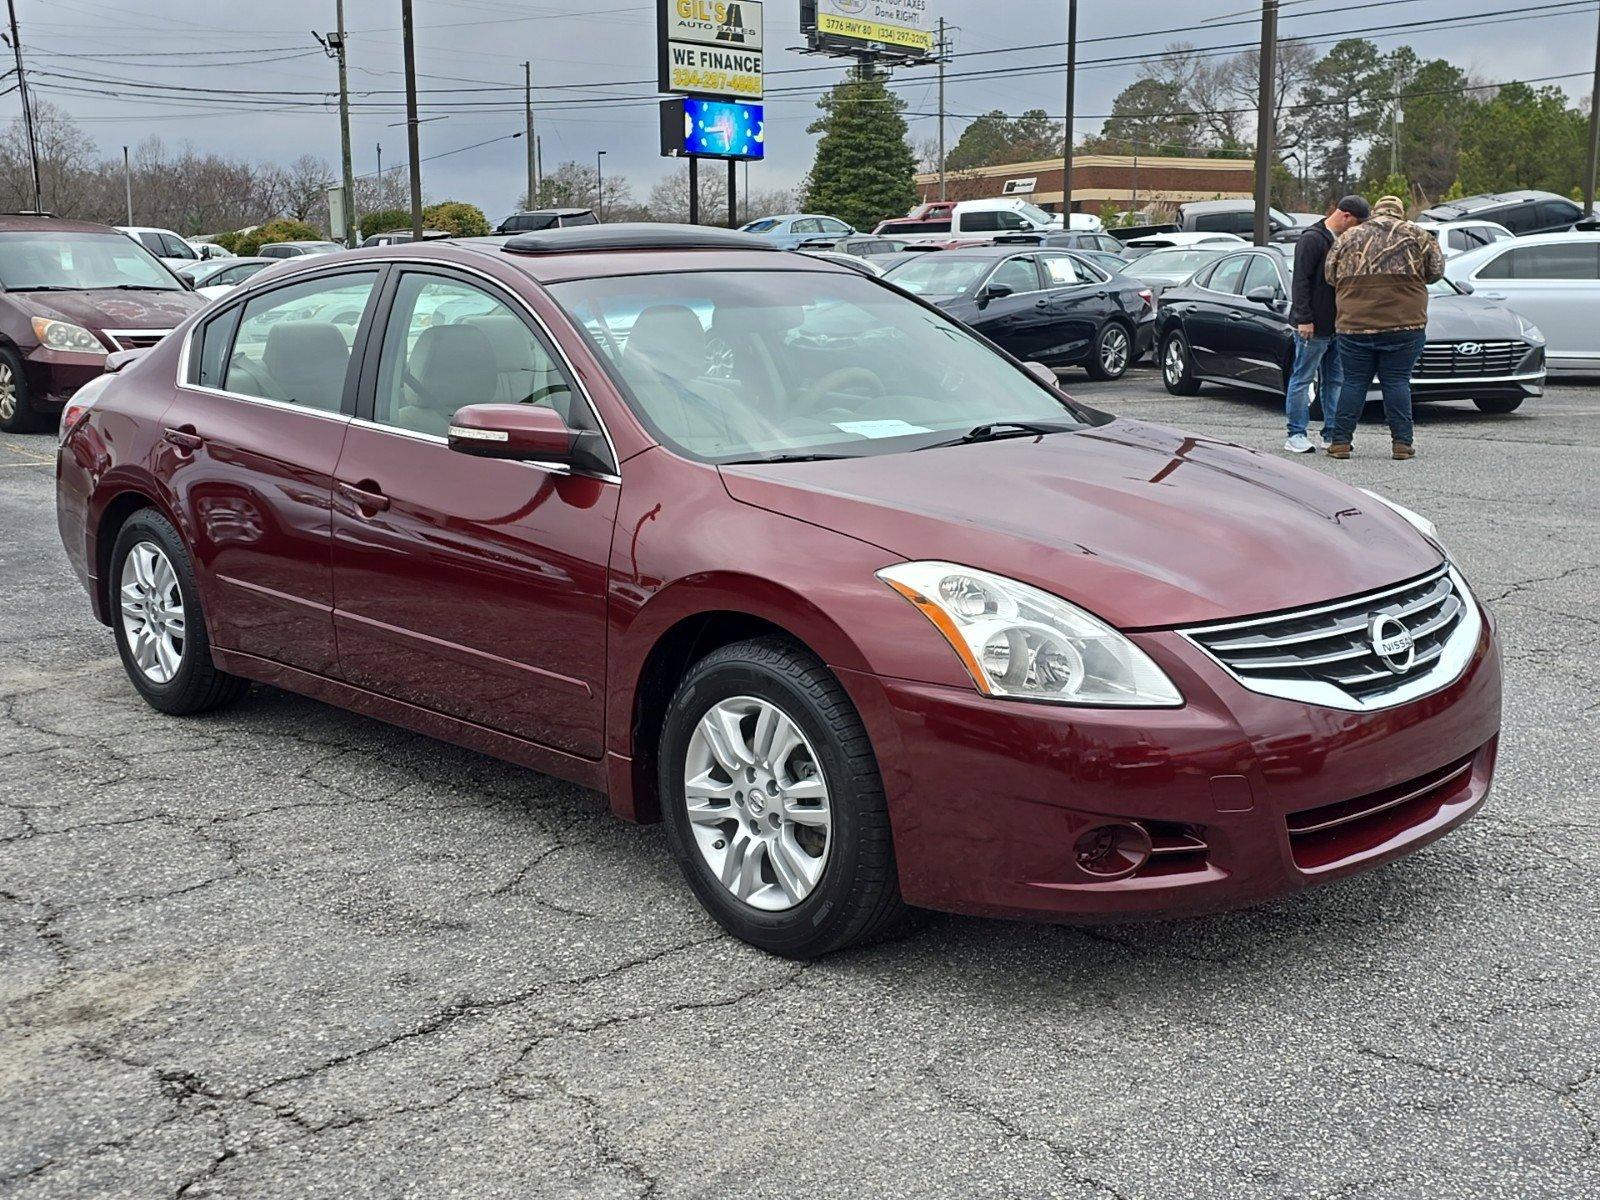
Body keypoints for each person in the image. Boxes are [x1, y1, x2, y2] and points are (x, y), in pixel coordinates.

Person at [1321, 194, 1445, 461]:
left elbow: (1330, 275)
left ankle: (1340, 442)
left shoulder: (1349, 237)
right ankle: (1402, 444)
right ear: (1400, 212)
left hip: (1354, 325)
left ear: (1375, 211)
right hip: (1405, 323)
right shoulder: (1418, 235)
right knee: (1397, 381)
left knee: (1353, 382)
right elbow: (1436, 272)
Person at [1283, 195, 1370, 454]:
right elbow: (1300, 281)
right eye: (1356, 223)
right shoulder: (1312, 238)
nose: (1357, 229)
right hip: (1313, 325)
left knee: (1335, 381)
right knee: (1303, 378)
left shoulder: (1343, 241)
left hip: (1338, 326)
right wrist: (1304, 318)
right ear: (1345, 216)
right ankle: (1296, 433)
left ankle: (1331, 433)